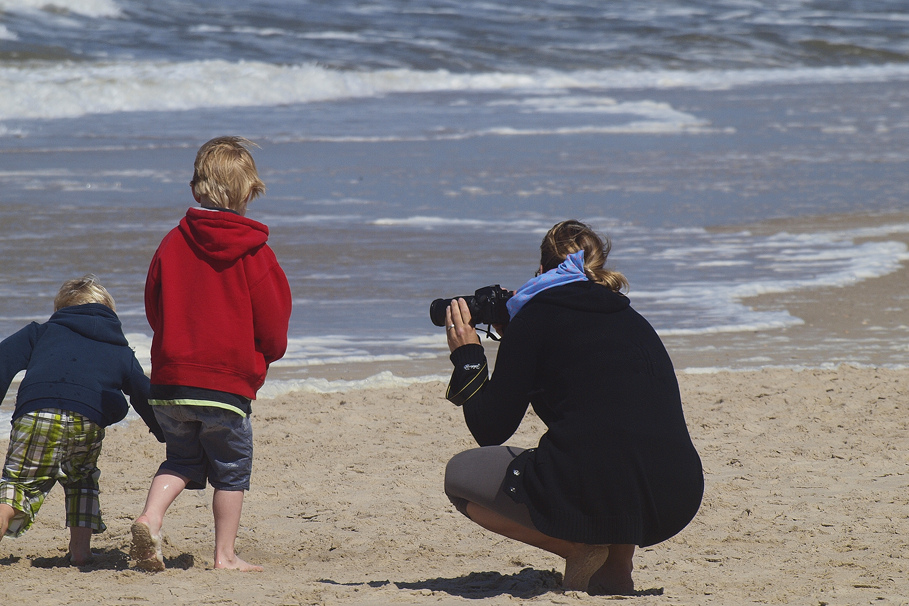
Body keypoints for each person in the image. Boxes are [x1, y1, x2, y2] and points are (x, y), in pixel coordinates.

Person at [442, 220, 704, 595]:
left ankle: (578, 547)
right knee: (611, 444)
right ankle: (617, 570)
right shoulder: (630, 318)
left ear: (541, 270)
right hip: (675, 491)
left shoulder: (536, 318)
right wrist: (516, 333)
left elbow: (490, 428)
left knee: (460, 477)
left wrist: (468, 355)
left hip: (603, 482)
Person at [130, 136, 292, 573]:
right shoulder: (256, 253)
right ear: (249, 192)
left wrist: (175, 344)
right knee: (231, 468)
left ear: (195, 188)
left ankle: (151, 516)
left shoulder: (171, 242)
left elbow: (153, 306)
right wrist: (263, 358)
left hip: (170, 380)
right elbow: (274, 326)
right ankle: (224, 555)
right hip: (225, 384)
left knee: (180, 460)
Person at [0, 275, 164, 566]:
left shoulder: (41, 332)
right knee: (82, 479)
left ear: (61, 310)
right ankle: (80, 552)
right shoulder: (120, 348)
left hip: (36, 411)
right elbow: (143, 393)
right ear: (109, 312)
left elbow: (3, 359)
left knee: (18, 483)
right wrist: (165, 433)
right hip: (86, 419)